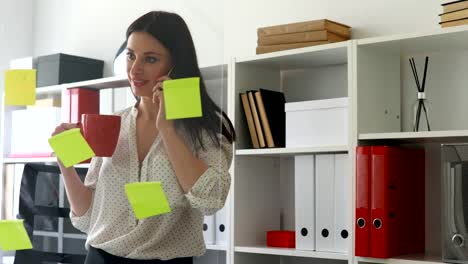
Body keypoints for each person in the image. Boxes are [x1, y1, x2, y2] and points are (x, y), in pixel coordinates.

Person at [52, 11, 235, 264]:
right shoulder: (112, 122)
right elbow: (87, 216)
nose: (135, 69)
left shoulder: (206, 131)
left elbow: (211, 200)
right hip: (100, 257)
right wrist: (66, 165)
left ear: (176, 65)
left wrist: (168, 130)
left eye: (150, 59)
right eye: (130, 55)